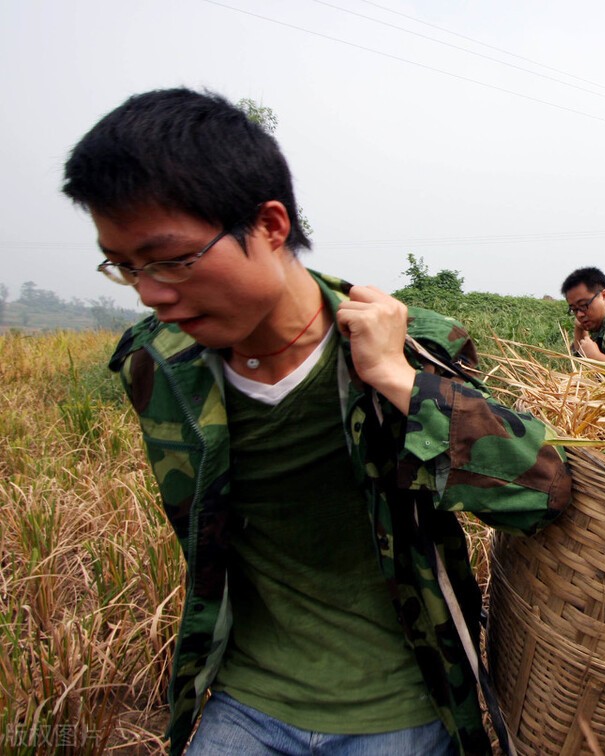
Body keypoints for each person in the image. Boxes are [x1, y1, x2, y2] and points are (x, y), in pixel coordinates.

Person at [62, 88, 572, 756]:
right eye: (125, 267)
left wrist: (396, 381)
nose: (152, 293)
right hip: (247, 703)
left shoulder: (416, 345)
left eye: (174, 259)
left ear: (271, 226)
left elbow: (541, 493)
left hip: (401, 706)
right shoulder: (158, 367)